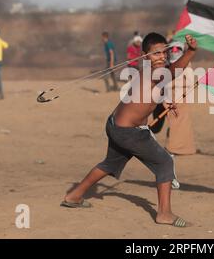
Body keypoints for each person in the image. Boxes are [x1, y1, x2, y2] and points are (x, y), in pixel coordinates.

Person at [61, 33, 198, 228]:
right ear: (144, 56)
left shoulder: (151, 71)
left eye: (164, 52)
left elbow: (151, 91)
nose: (161, 56)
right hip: (128, 132)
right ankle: (164, 214)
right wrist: (191, 51)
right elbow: (173, 72)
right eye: (155, 53)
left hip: (116, 125)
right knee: (165, 162)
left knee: (109, 164)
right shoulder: (155, 71)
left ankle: (74, 196)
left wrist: (164, 99)